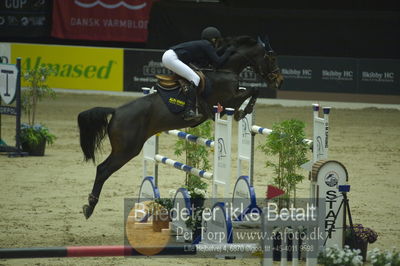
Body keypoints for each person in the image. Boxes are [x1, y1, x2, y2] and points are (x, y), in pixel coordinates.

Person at [162, 26, 234, 121]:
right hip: (172, 58)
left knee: (192, 78)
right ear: (213, 39)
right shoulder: (207, 44)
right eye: (217, 41)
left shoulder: (203, 45)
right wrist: (229, 51)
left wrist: (225, 49)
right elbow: (218, 61)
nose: (217, 43)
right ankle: (188, 111)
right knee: (195, 79)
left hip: (169, 56)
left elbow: (211, 58)